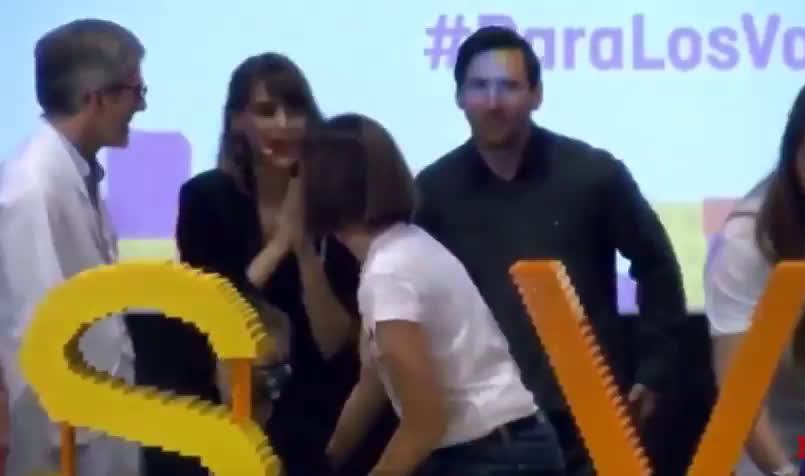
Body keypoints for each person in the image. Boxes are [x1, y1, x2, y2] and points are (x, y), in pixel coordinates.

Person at [413, 26, 688, 475]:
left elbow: (656, 265)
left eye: (509, 86)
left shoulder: (593, 175)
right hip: (480, 431)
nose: (493, 102)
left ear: (537, 94)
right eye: (479, 86)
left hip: (589, 422)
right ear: (459, 97)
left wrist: (653, 369)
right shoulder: (432, 193)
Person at [172, 53, 395, 476]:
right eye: (265, 111)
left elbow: (335, 343)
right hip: (239, 392)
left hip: (328, 399)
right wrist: (279, 244)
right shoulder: (206, 198)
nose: (283, 125)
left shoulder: (338, 199)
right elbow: (216, 313)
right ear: (237, 121)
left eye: (295, 111)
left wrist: (304, 249)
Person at [310, 113, 566, 475]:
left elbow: (425, 423)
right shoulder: (409, 246)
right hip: (509, 446)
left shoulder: (388, 274)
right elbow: (374, 379)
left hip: (490, 457)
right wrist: (326, 461)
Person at [0, 19, 146, 476]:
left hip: (96, 429)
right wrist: (57, 452)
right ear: (95, 98)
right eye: (135, 91)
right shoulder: (32, 188)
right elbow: (35, 333)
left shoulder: (77, 173)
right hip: (64, 446)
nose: (141, 105)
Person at [705, 78, 805, 476]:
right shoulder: (748, 239)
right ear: (792, 160)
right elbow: (739, 393)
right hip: (785, 441)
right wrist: (782, 471)